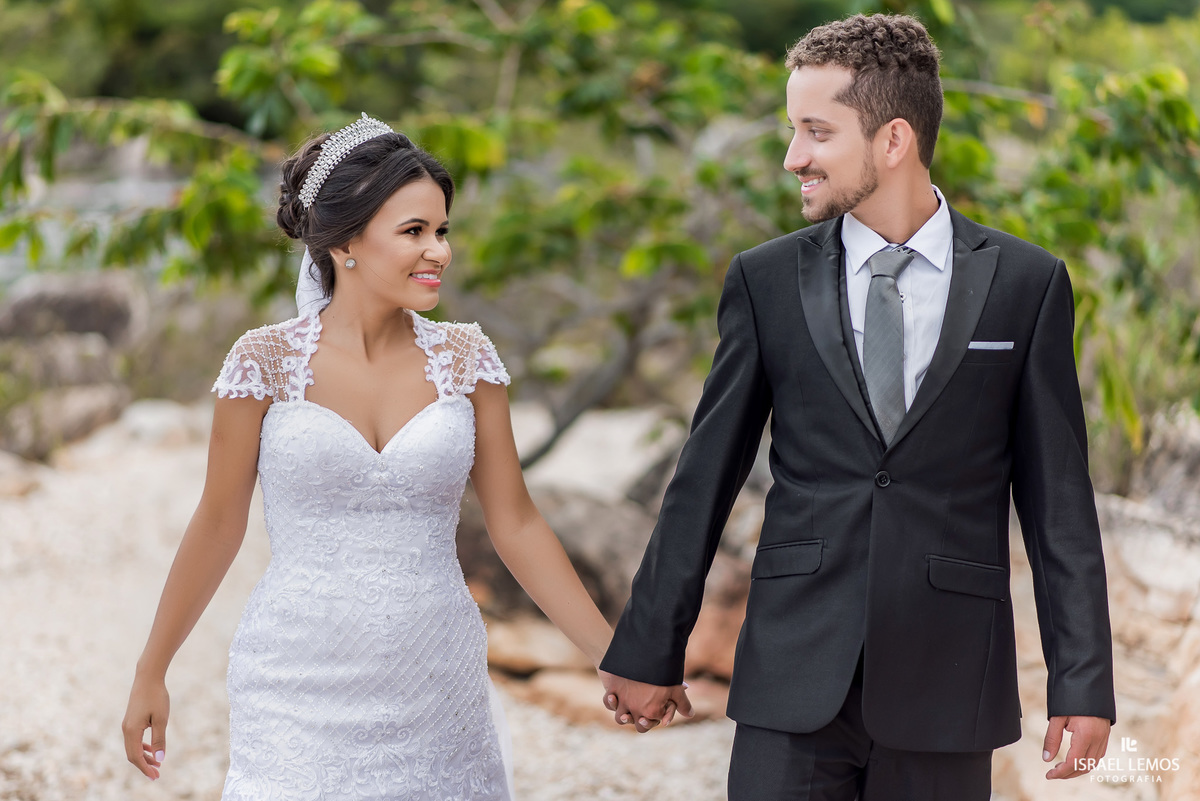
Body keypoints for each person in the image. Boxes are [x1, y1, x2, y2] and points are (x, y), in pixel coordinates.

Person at [598, 13, 1116, 800]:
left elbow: (1059, 505)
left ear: (893, 140)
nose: (792, 156)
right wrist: (648, 649)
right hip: (792, 671)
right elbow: (704, 478)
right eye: (792, 130)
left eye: (816, 131)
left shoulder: (1026, 283)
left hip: (948, 681)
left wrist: (1082, 684)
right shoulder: (765, 281)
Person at [121, 114, 613, 799]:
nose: (438, 251)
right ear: (346, 241)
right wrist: (153, 667)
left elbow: (517, 523)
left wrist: (608, 657)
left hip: (438, 680)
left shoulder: (468, 358)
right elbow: (217, 523)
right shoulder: (262, 362)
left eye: (442, 230)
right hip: (294, 679)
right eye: (414, 231)